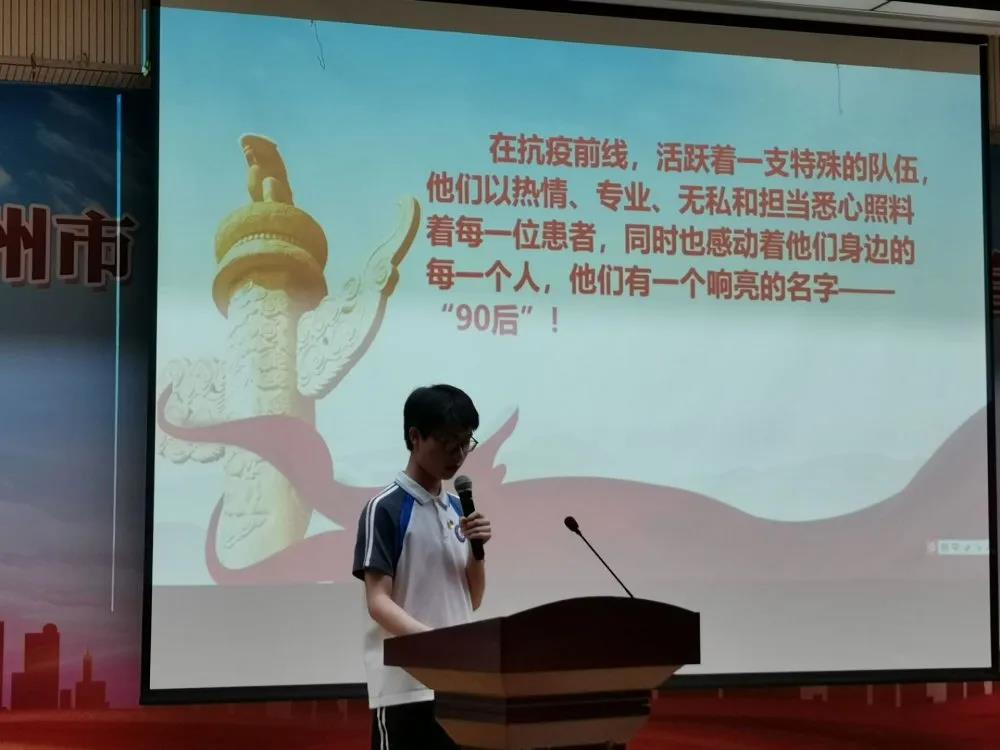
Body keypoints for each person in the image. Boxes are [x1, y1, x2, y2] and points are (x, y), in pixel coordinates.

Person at [353, 384, 492, 750]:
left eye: (465, 442)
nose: (458, 455)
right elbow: (377, 601)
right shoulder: (385, 508)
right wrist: (435, 645)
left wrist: (478, 552)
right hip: (405, 688)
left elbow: (473, 599)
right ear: (415, 437)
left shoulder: (458, 508)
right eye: (447, 442)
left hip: (459, 683)